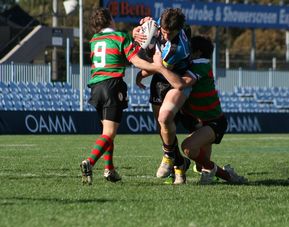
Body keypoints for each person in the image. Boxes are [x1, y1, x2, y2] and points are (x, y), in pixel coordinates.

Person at [80, 7, 187, 185]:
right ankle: (89, 162)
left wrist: (135, 34)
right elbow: (137, 61)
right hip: (112, 86)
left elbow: (116, 51)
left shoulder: (94, 40)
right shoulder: (121, 37)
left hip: (95, 86)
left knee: (106, 131)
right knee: (109, 133)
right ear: (110, 20)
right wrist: (158, 67)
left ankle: (109, 169)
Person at [134, 8, 195, 184]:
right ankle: (179, 164)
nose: (166, 35)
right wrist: (142, 29)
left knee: (165, 118)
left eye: (170, 33)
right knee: (161, 128)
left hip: (175, 79)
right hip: (159, 81)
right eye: (163, 31)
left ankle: (169, 157)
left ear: (178, 30)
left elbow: (156, 66)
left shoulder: (176, 48)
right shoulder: (162, 26)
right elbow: (149, 32)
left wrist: (139, 74)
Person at [179, 36, 247, 184]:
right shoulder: (195, 64)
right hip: (202, 122)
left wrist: (160, 68)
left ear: (197, 53)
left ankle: (226, 174)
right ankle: (225, 174)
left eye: (188, 49)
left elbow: (182, 83)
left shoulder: (201, 65)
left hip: (214, 122)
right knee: (200, 164)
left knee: (188, 148)